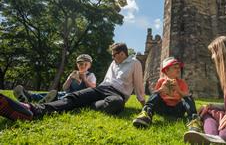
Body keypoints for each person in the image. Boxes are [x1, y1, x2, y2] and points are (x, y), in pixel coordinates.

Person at [0, 43, 145, 121]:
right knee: (73, 97)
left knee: (116, 103)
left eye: (114, 55)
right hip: (102, 88)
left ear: (121, 53)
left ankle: (89, 104)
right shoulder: (114, 64)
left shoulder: (135, 63)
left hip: (118, 94)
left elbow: (138, 84)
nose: (113, 58)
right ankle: (31, 109)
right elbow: (106, 80)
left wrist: (143, 104)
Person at [133, 57, 201, 130]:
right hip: (162, 108)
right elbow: (154, 95)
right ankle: (146, 114)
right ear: (166, 70)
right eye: (175, 67)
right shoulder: (161, 81)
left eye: (179, 68)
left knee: (188, 97)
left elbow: (186, 96)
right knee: (155, 94)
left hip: (177, 109)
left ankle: (193, 120)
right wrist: (161, 90)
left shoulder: (182, 83)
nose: (178, 69)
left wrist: (178, 90)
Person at [13, 54, 96, 104]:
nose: (83, 66)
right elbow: (65, 88)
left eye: (86, 64)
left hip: (78, 96)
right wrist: (70, 78)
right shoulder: (73, 73)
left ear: (89, 66)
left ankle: (51, 100)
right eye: (81, 64)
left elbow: (93, 88)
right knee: (56, 93)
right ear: (77, 65)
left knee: (65, 97)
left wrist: (85, 80)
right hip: (67, 93)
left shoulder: (91, 75)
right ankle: (30, 96)